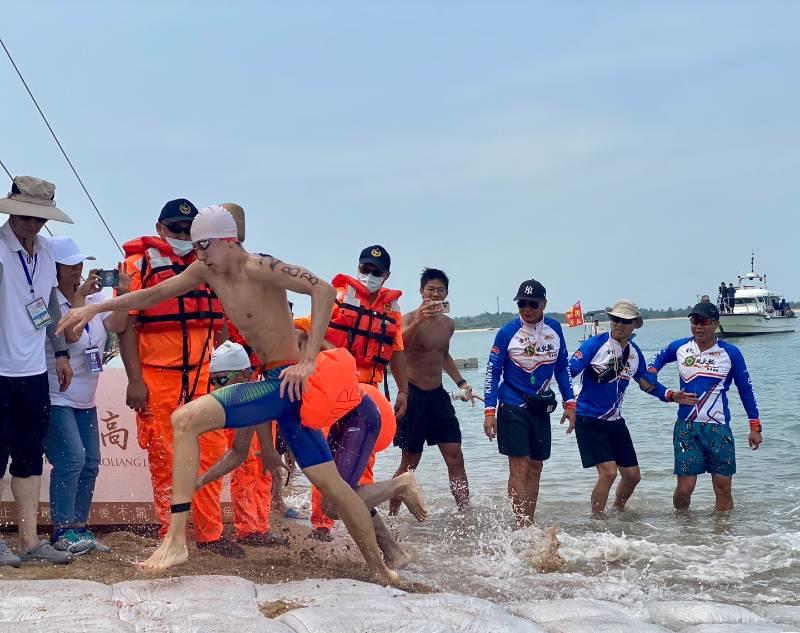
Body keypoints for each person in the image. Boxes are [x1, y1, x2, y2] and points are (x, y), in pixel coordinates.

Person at [58, 205, 402, 583]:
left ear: (228, 240)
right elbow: (153, 294)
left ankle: (175, 542)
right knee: (332, 487)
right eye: (194, 245)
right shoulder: (206, 269)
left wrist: (308, 360)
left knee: (184, 420)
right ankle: (381, 568)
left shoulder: (262, 267)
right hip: (279, 388)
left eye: (204, 244)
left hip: (284, 382)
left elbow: (320, 289)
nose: (198, 253)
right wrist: (99, 308)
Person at [118, 198, 239, 558]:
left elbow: (220, 321)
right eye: (176, 229)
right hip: (158, 380)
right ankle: (169, 534)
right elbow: (125, 326)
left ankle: (211, 534)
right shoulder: (138, 264)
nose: (183, 236)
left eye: (190, 231)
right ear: (160, 229)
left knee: (211, 453)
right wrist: (134, 380)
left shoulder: (209, 264)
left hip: (201, 378)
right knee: (165, 460)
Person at [300, 244, 410, 540]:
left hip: (368, 391)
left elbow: (397, 352)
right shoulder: (336, 300)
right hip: (332, 387)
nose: (369, 275)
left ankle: (359, 518)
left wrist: (403, 390)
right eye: (365, 269)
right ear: (357, 267)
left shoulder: (392, 311)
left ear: (386, 275)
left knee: (364, 458)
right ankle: (322, 525)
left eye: (376, 272)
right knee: (325, 455)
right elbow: (303, 329)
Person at [0, 176, 74, 566]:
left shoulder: (45, 250)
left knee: (29, 457)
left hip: (32, 373)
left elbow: (47, 301)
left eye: (40, 218)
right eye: (26, 217)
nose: (32, 225)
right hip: (0, 370)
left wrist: (60, 351)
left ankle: (30, 540)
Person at [44, 237, 130, 554]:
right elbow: (70, 333)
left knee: (91, 462)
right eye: (71, 265)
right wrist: (80, 299)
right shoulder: (49, 301)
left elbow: (118, 323)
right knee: (71, 459)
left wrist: (123, 291)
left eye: (80, 264)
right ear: (54, 269)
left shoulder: (94, 300)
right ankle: (62, 531)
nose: (78, 270)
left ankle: (80, 529)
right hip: (56, 395)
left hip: (86, 399)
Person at [567, 300, 687, 514]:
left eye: (625, 321)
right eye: (615, 319)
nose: (619, 325)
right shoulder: (595, 345)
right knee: (609, 473)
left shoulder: (634, 353)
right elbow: (567, 371)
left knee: (633, 476)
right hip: (589, 419)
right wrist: (569, 403)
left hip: (615, 422)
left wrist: (670, 395)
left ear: (634, 325)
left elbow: (645, 383)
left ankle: (618, 511)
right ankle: (596, 520)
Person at [646, 302, 762, 511]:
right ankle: (683, 531)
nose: (698, 327)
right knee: (684, 489)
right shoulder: (679, 347)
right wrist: (669, 394)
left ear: (716, 324)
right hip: (687, 428)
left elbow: (746, 390)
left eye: (704, 322)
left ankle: (723, 537)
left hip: (718, 428)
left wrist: (755, 426)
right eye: (694, 321)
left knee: (723, 488)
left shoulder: (731, 353)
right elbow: (649, 371)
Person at [483, 279, 576, 528]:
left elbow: (563, 368)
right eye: (521, 303)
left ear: (543, 304)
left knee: (536, 466)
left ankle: (529, 522)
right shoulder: (506, 333)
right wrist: (489, 411)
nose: (526, 309)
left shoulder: (555, 329)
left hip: (539, 407)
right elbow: (492, 372)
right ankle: (519, 524)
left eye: (532, 304)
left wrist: (570, 404)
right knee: (519, 466)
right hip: (512, 405)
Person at [390, 267, 471, 513]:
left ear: (447, 293)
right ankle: (392, 511)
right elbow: (398, 345)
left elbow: (443, 355)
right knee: (410, 461)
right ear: (421, 291)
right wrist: (420, 320)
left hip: (438, 396)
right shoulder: (408, 319)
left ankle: (465, 511)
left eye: (440, 290)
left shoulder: (448, 324)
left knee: (455, 454)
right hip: (413, 394)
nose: (435, 295)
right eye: (431, 290)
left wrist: (462, 383)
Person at [204, 340, 289, 546]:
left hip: (261, 391)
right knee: (247, 465)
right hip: (240, 396)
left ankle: (260, 526)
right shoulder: (240, 320)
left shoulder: (275, 327)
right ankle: (248, 529)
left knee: (264, 467)